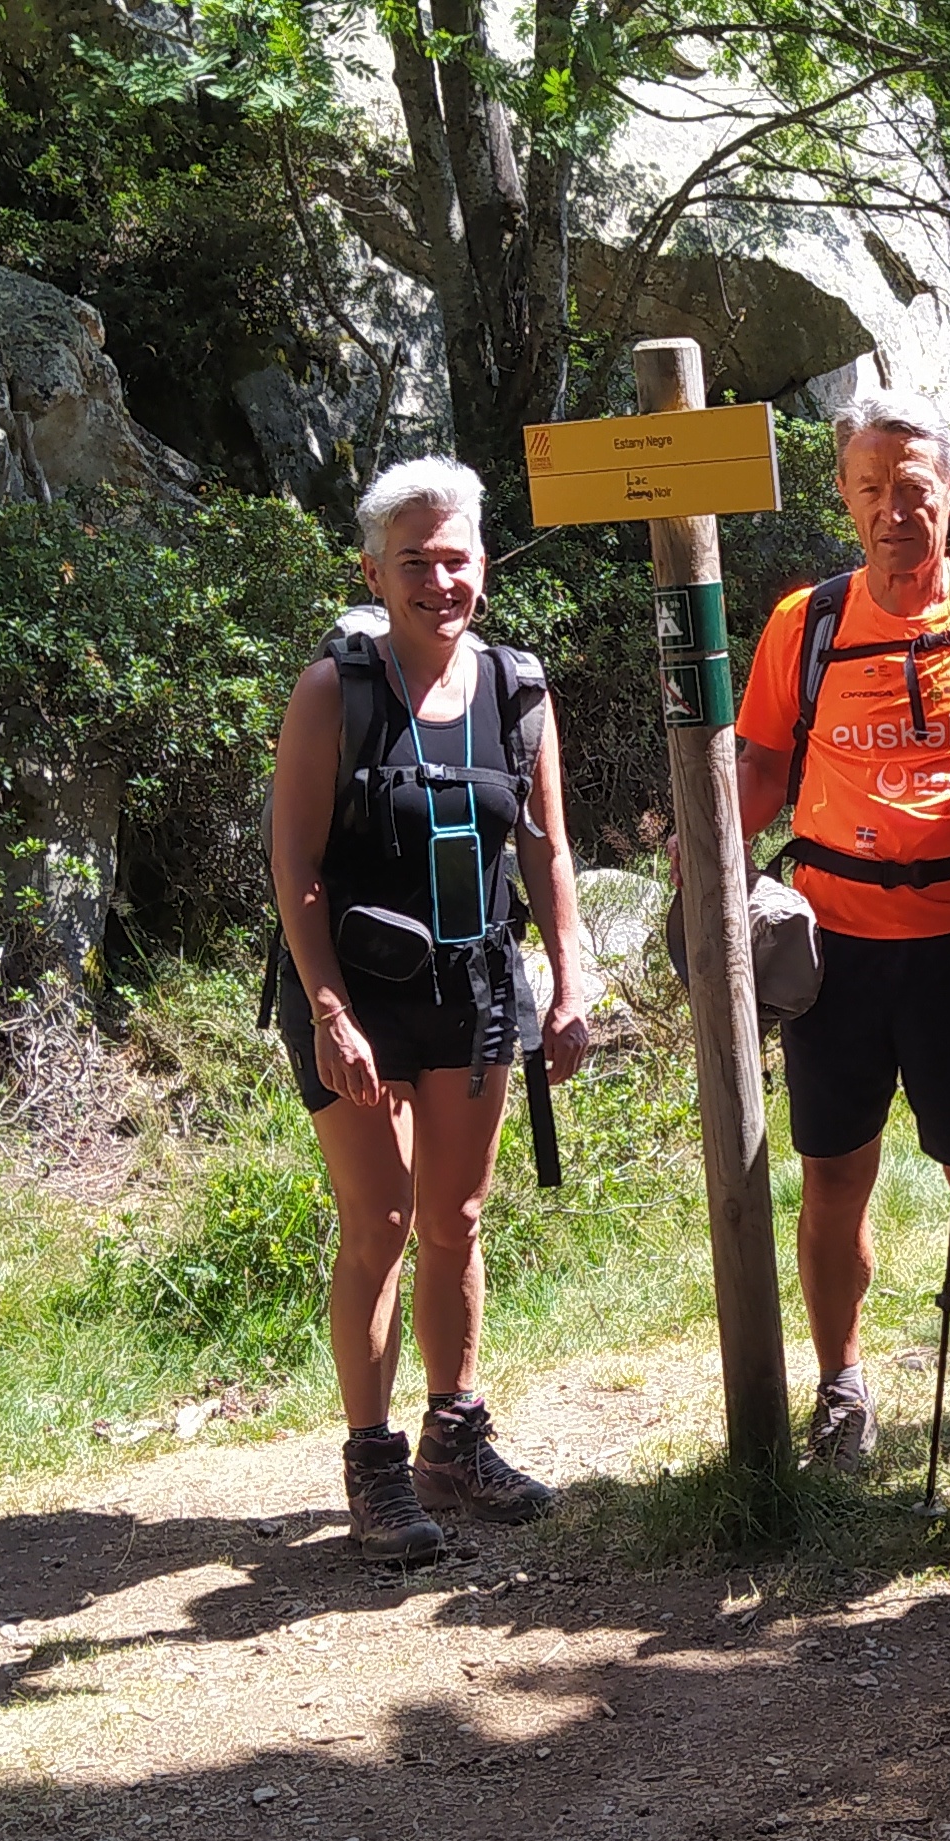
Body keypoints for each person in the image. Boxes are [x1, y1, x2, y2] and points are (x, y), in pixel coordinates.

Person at [265, 456, 597, 1560]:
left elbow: (548, 851)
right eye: (413, 562)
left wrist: (569, 980)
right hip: (358, 997)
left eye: (455, 559)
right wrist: (328, 1009)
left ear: (484, 566)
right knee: (381, 1221)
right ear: (374, 571)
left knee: (455, 1217)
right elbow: (296, 865)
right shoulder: (336, 692)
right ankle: (374, 1461)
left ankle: (451, 1444)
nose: (438, 581)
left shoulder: (517, 691)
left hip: (475, 988)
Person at [735, 390, 950, 1472]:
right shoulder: (806, 623)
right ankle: (842, 1389)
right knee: (834, 1175)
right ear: (843, 496)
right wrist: (706, 853)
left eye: (913, 488)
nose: (893, 510)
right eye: (870, 489)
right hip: (832, 949)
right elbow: (762, 769)